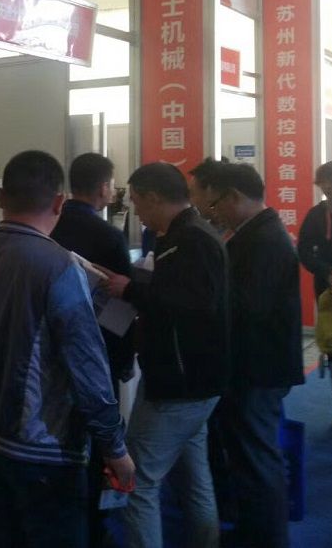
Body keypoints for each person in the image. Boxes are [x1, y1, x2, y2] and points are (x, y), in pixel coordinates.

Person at [0, 150, 134, 548]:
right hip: (43, 450)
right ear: (59, 202)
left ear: (1, 198)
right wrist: (114, 446)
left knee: (6, 534)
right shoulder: (60, 267)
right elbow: (88, 366)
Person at [99, 162, 229, 548]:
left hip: (177, 384)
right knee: (194, 477)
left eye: (137, 202)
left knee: (137, 481)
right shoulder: (186, 236)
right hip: (195, 382)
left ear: (154, 198)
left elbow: (190, 305)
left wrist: (132, 290)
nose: (136, 211)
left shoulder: (189, 241)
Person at [208, 163, 303, 548]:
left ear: (234, 196)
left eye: (216, 203)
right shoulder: (255, 232)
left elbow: (249, 306)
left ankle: (267, 538)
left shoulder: (264, 239)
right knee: (250, 454)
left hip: (260, 366)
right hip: (256, 364)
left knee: (258, 456)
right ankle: (254, 530)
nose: (215, 212)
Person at [50, 152, 132, 548]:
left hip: (50, 356)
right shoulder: (109, 236)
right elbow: (121, 306)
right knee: (99, 444)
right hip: (100, 354)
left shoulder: (49, 226)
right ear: (103, 188)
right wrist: (125, 359)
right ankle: (93, 530)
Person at [297, 160, 332, 299]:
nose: (327, 186)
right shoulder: (316, 214)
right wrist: (328, 272)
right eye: (323, 182)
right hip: (327, 284)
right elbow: (304, 251)